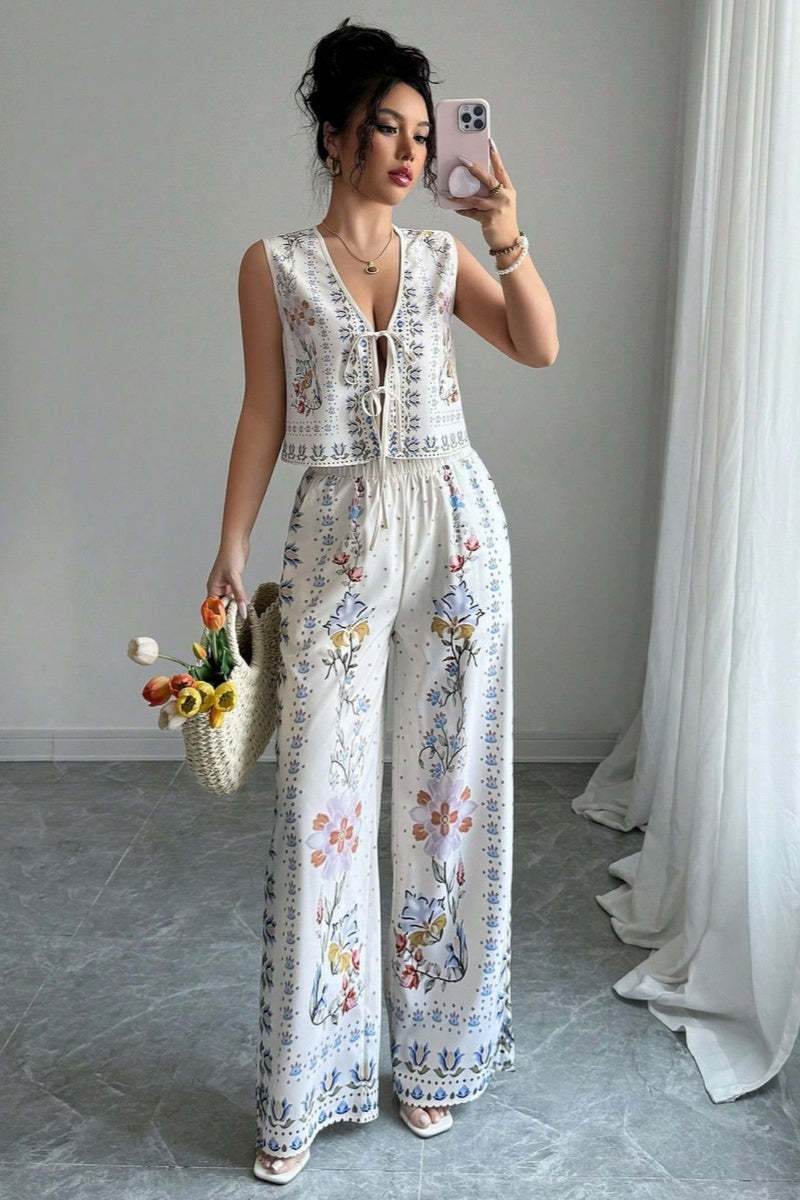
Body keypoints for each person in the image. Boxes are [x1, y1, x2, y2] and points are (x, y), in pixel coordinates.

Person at [206, 18, 558, 1185]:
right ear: (334, 136)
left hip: (454, 525)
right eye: (385, 129)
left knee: (444, 792)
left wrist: (504, 234)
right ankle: (313, 1081)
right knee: (326, 799)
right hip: (335, 534)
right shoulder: (274, 264)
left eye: (420, 132)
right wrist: (230, 543)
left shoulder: (440, 259)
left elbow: (537, 347)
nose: (409, 152)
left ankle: (433, 1058)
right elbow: (263, 410)